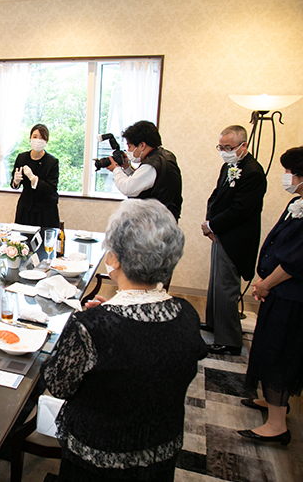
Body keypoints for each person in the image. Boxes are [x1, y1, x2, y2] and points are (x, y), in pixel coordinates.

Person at [42, 199, 208, 482]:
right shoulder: (188, 315)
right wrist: (106, 315)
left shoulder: (91, 327)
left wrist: (95, 321)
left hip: (97, 460)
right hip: (160, 453)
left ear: (115, 259)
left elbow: (57, 385)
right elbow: (151, 354)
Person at [237, 147, 303, 447]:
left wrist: (266, 284)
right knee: (267, 346)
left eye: (289, 172)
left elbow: (295, 260)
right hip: (277, 289)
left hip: (291, 295)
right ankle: (273, 402)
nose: (286, 177)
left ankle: (277, 425)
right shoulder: (296, 202)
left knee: (279, 352)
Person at [201, 125, 267, 355]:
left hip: (235, 237)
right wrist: (209, 223)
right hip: (220, 232)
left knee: (226, 287)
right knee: (215, 284)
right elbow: (216, 196)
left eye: (228, 147)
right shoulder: (229, 166)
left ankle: (229, 341)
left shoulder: (253, 172)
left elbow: (240, 210)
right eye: (221, 147)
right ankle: (213, 323)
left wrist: (213, 225)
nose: (224, 152)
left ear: (243, 145)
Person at [106, 120, 183, 221]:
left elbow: (127, 188)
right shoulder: (165, 156)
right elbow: (142, 181)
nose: (128, 151)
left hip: (155, 223)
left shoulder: (151, 165)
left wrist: (115, 169)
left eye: (129, 146)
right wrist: (126, 167)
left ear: (142, 145)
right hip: (166, 220)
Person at [10, 124, 60, 228]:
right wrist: (16, 182)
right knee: (21, 236)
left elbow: (51, 188)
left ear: (46, 141)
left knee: (44, 237)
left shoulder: (52, 162)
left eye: (42, 138)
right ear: (30, 138)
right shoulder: (22, 158)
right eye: (35, 136)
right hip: (26, 208)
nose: (38, 140)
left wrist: (34, 179)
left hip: (46, 210)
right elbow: (14, 184)